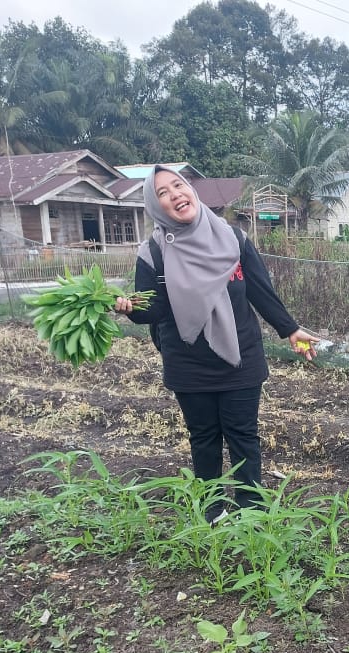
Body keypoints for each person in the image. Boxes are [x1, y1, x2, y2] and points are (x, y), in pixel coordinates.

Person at [115, 167, 320, 519]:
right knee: (204, 439)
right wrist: (131, 309)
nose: (175, 194)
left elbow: (259, 289)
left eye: (178, 185)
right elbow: (157, 309)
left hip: (240, 356)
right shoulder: (153, 252)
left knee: (243, 437)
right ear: (155, 204)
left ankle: (251, 513)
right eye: (163, 192)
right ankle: (211, 514)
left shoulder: (232, 238)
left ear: (191, 190)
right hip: (188, 362)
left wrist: (290, 329)